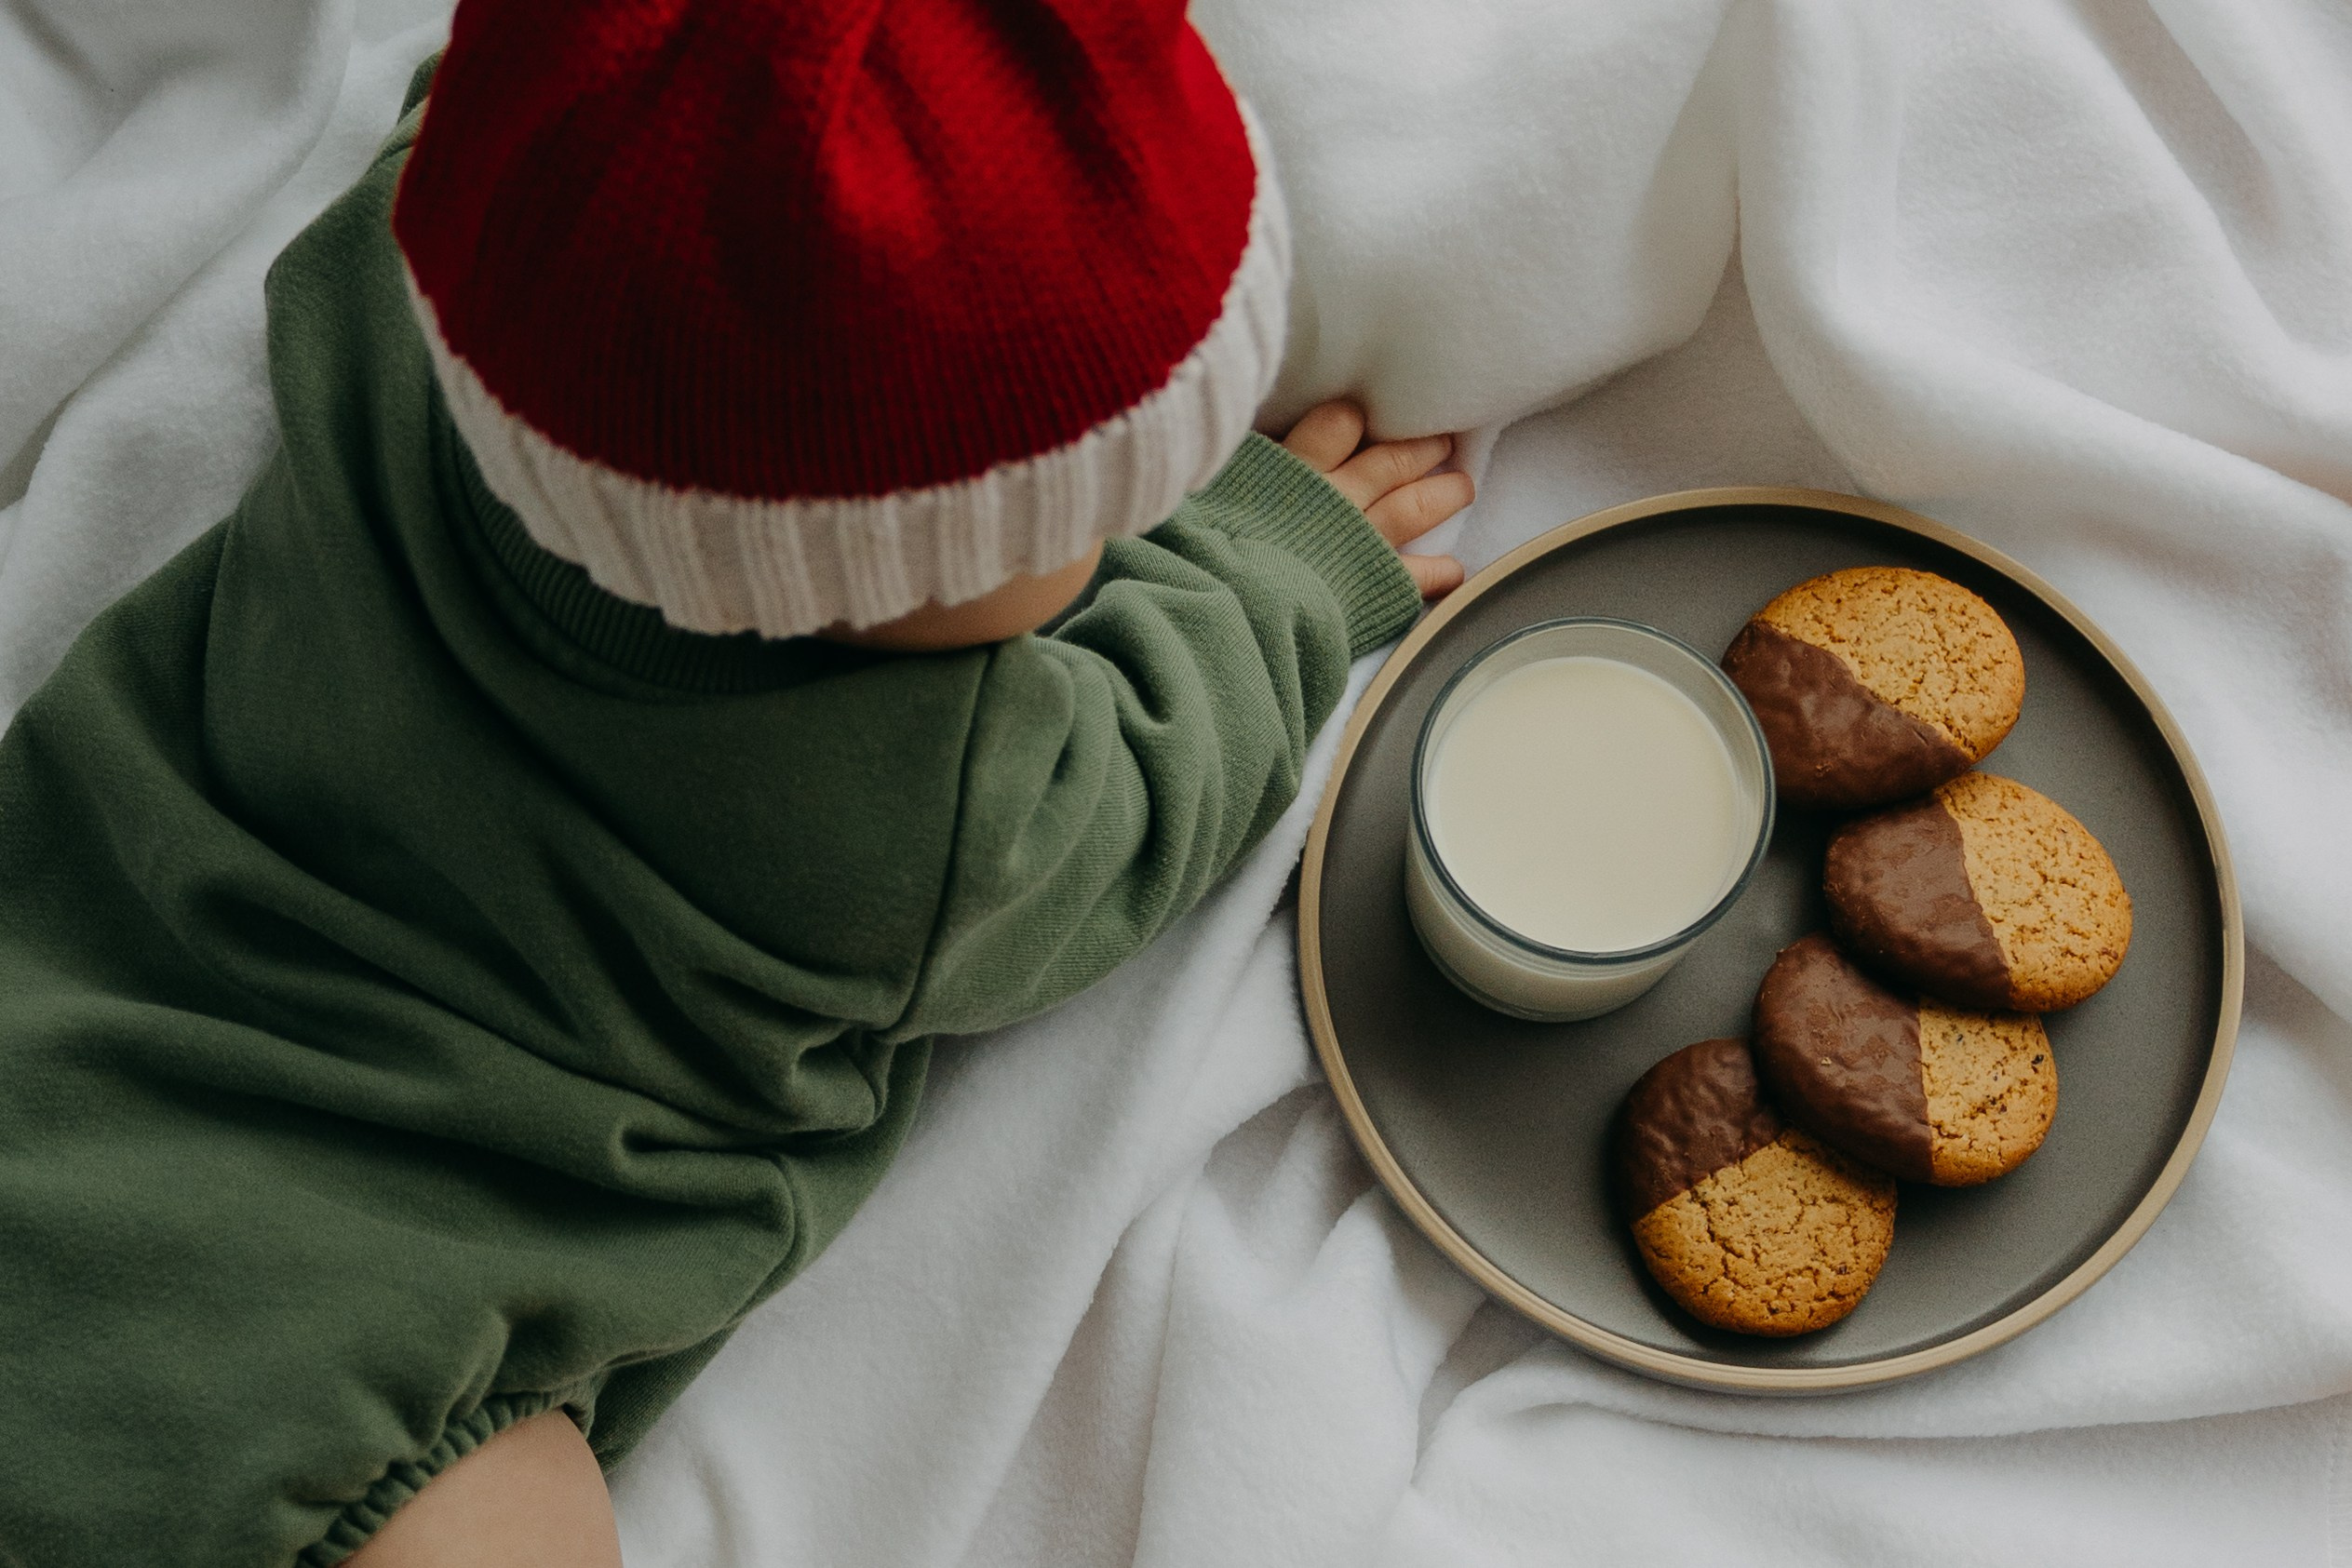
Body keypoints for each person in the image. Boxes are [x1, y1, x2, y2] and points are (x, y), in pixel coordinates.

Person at [0, 1, 1469, 1562]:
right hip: (370, 1295)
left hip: (58, 1016)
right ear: (862, 572)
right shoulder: (948, 809)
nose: (1126, 530)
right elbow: (1168, 779)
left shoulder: (392, 284)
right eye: (1075, 515)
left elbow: (496, 130)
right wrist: (1280, 561)